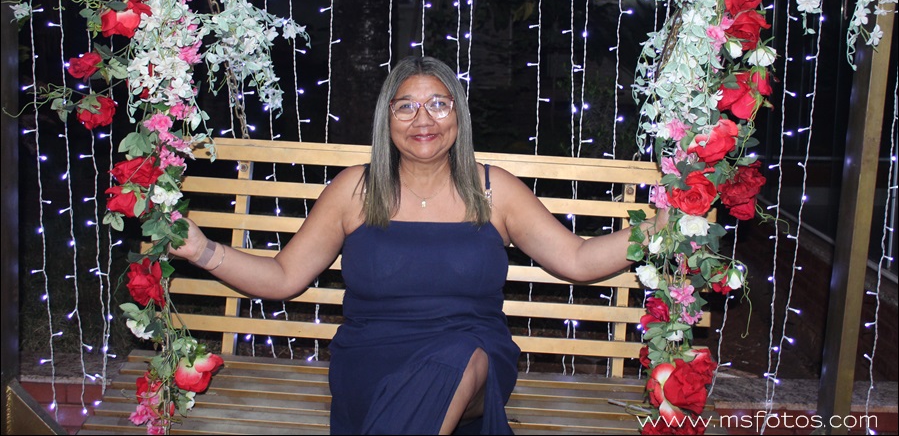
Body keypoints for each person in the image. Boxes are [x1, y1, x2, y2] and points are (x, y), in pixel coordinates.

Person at [171, 56, 665, 435]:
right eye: (405, 106)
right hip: (372, 359)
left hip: (473, 361)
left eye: (438, 104)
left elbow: (577, 259)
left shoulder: (494, 191)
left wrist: (662, 227)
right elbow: (283, 277)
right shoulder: (355, 189)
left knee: (461, 354)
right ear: (386, 120)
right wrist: (201, 251)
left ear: (457, 115)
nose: (422, 119)